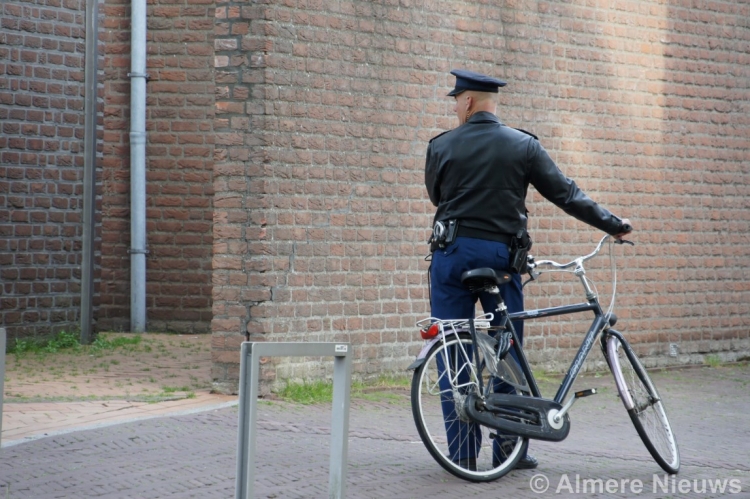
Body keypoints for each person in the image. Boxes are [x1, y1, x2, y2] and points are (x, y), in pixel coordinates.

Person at [425, 69, 632, 471]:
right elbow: (565, 194)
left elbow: (436, 196)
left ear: (467, 101)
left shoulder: (441, 145)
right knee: (508, 350)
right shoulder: (524, 146)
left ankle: (462, 453)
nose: (455, 109)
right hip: (501, 261)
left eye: (456, 102)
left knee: (453, 350)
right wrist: (612, 224)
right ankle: (508, 451)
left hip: (452, 255)